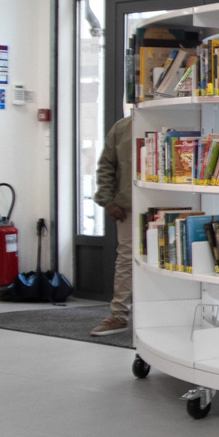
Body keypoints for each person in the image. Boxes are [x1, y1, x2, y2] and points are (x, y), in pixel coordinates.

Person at [90, 115, 133, 336]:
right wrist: (107, 201)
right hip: (129, 206)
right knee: (126, 260)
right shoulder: (122, 127)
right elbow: (106, 165)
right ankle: (118, 316)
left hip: (173, 204)